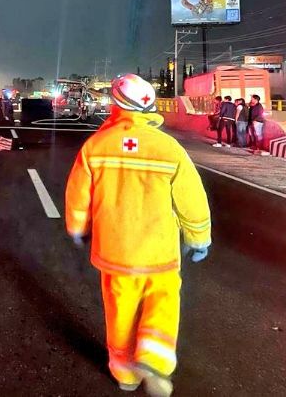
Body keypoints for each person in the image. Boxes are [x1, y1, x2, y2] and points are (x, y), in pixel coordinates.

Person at [65, 73, 211, 396]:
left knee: (120, 311)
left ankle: (126, 374)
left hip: (115, 252)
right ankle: (154, 359)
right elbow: (192, 198)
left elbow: (78, 196)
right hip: (159, 251)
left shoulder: (95, 147)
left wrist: (78, 228)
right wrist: (198, 236)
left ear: (116, 106)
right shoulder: (168, 148)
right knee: (163, 299)